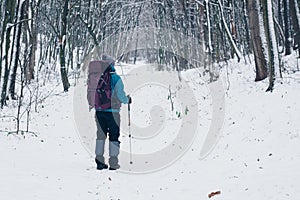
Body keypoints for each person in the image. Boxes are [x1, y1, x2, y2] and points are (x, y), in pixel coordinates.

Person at [94, 55, 132, 170]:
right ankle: (113, 162)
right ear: (112, 65)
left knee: (100, 136)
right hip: (113, 112)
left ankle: (99, 161)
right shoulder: (116, 78)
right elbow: (121, 96)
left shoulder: (96, 77)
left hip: (99, 111)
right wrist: (128, 99)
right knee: (114, 136)